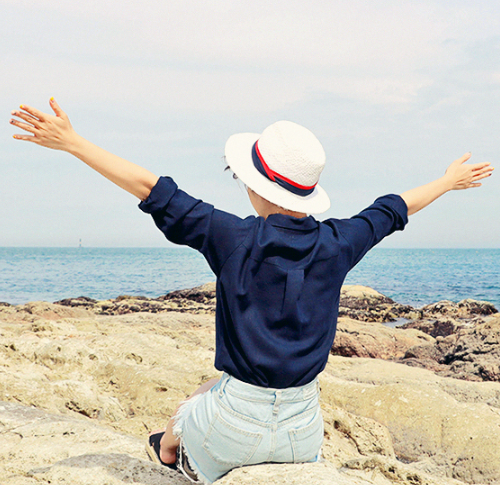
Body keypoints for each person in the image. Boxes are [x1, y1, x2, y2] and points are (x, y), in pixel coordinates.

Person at [10, 98, 493, 484]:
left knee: (197, 402)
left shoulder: (231, 236)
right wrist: (448, 181)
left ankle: (167, 450)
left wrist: (73, 142)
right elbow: (391, 210)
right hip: (304, 431)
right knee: (211, 389)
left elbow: (150, 187)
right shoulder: (338, 243)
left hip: (232, 431)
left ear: (256, 184)